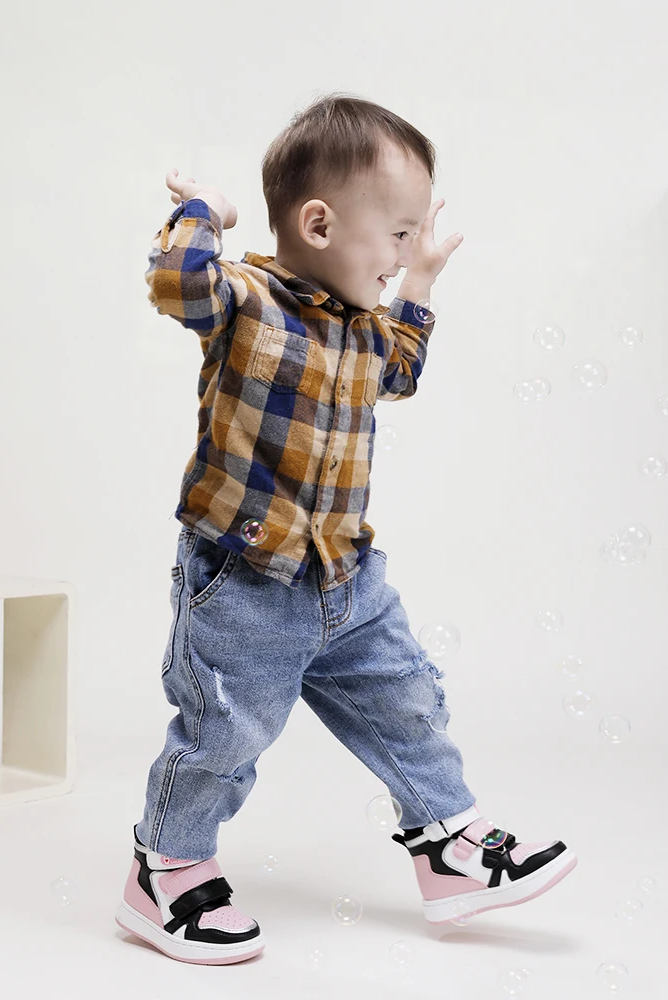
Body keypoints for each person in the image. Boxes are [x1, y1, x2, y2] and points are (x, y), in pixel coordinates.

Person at [115, 92, 577, 966]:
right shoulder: (245, 300)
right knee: (225, 735)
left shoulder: (367, 331)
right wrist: (202, 208)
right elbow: (176, 281)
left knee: (408, 699)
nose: (403, 252)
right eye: (397, 234)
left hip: (347, 580)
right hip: (245, 583)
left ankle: (449, 848)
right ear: (319, 224)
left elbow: (402, 368)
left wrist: (421, 282)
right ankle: (165, 868)